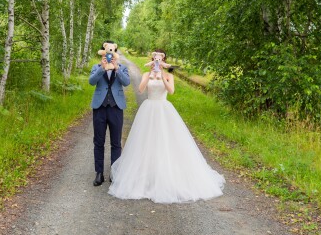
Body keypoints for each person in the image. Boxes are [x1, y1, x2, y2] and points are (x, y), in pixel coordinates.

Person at [108, 49, 225, 203]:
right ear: (151, 59)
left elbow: (171, 91)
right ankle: (147, 175)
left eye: (159, 58)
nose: (156, 60)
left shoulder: (169, 75)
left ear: (163, 60)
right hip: (148, 108)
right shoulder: (145, 74)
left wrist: (162, 76)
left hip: (164, 108)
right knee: (147, 142)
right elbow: (141, 89)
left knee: (166, 141)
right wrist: (149, 75)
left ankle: (166, 175)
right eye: (154, 58)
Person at [88, 40, 131, 186]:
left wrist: (117, 68)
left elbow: (126, 83)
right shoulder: (96, 66)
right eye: (107, 52)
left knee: (116, 142)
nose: (110, 55)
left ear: (115, 52)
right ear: (103, 52)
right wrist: (102, 67)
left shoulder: (122, 67)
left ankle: (115, 172)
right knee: (98, 141)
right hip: (99, 107)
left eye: (112, 52)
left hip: (116, 107)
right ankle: (99, 173)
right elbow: (91, 82)